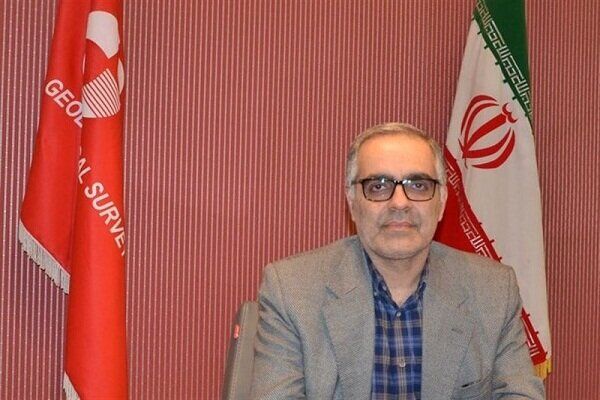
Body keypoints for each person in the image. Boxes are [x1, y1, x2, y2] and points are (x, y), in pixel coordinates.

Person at [250, 123, 545, 399]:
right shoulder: (292, 290)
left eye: (418, 185)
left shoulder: (493, 290)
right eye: (378, 186)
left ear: (441, 202)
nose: (400, 203)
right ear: (352, 201)